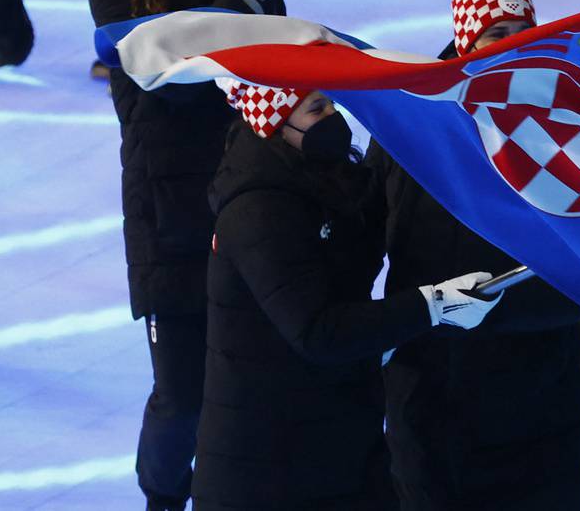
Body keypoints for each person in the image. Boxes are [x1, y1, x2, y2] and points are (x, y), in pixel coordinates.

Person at [88, 0, 300, 511]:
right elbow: (160, 85)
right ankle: (161, 498)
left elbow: (270, 62)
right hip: (169, 200)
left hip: (249, 179)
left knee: (254, 369)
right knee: (182, 388)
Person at [193, 84, 505, 511]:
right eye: (317, 109)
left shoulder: (323, 176)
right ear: (273, 123)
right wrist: (431, 306)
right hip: (267, 468)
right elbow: (319, 332)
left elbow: (363, 240)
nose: (334, 118)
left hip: (339, 441)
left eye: (332, 104)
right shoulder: (257, 210)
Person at [367, 0, 580, 510]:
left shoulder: (566, 123)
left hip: (545, 399)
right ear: (466, 41)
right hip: (441, 396)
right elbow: (363, 230)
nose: (514, 44)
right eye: (497, 32)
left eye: (524, 31)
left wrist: (498, 307)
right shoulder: (411, 120)